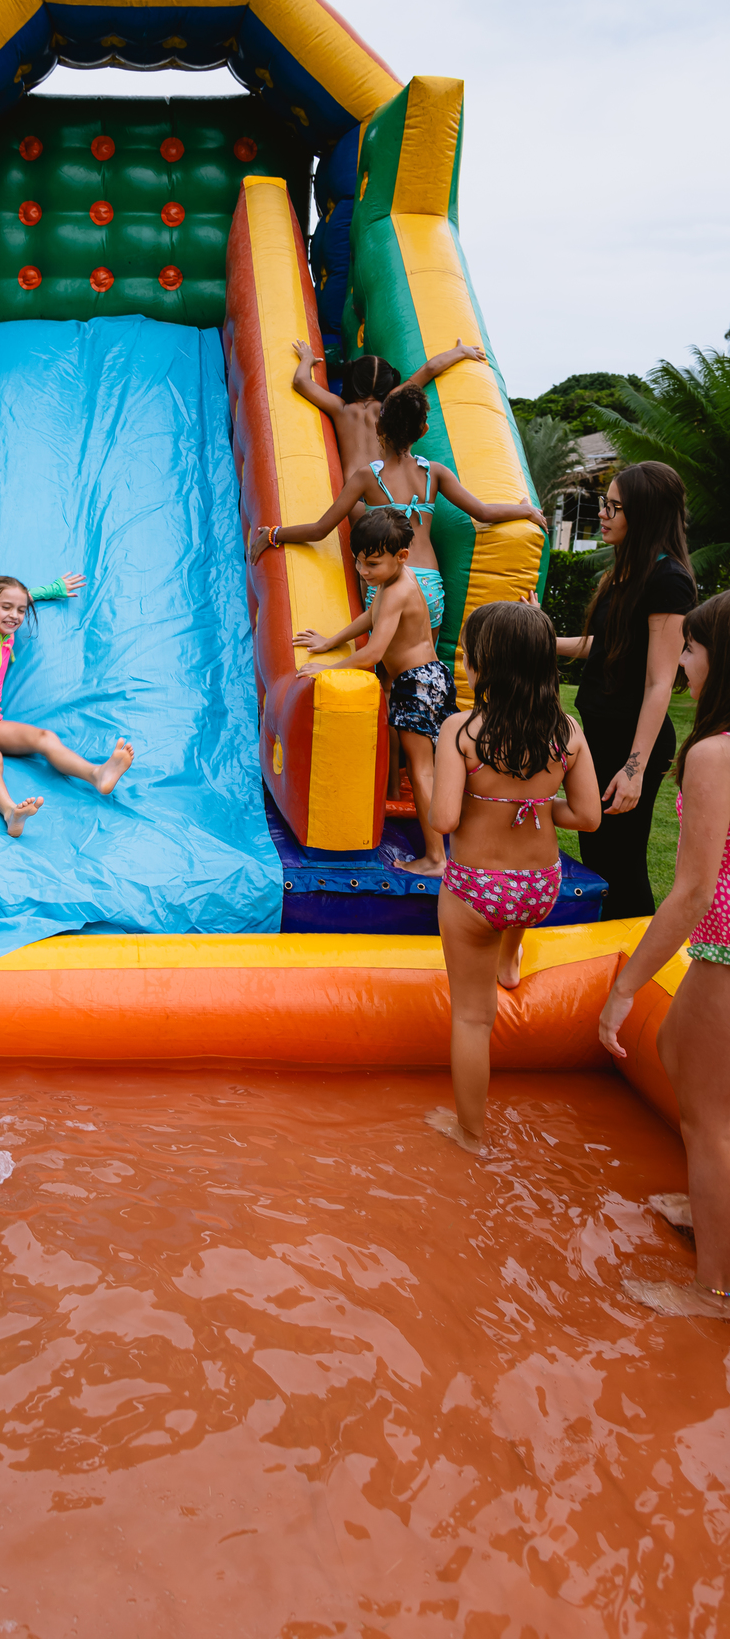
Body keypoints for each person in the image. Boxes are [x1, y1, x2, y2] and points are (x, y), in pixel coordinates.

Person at [426, 601, 601, 1154]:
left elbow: (446, 819)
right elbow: (588, 816)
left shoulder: (462, 730)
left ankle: (470, 1135)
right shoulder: (567, 732)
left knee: (474, 1019)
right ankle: (510, 960)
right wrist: (535, 804)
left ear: (486, 666)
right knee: (517, 907)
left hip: (479, 891)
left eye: (470, 656)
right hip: (541, 888)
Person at [598, 592, 730, 1318]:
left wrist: (625, 987)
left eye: (691, 648)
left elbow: (691, 890)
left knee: (709, 1117)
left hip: (724, 948)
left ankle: (714, 1288)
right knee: (679, 1049)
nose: (681, 662)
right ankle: (710, 1207)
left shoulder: (714, 753)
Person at [251, 381, 547, 638]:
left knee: (388, 674)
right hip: (428, 585)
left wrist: (274, 535)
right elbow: (483, 512)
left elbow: (320, 529)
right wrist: (524, 510)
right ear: (424, 430)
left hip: (387, 581)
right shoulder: (435, 473)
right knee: (424, 668)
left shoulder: (367, 477)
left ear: (379, 426)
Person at [547, 461, 696, 920]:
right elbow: (605, 646)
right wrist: (541, 637)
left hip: (632, 742)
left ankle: (637, 968)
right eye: (603, 504)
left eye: (614, 506)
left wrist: (634, 768)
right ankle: (609, 962)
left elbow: (659, 682)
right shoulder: (626, 571)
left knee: (622, 864)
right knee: (598, 858)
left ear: (644, 513)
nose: (603, 514)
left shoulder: (668, 581)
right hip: (600, 734)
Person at [294, 508, 457, 874]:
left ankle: (436, 859)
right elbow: (372, 617)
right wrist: (330, 641)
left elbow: (374, 652)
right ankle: (447, 846)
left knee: (422, 772)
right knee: (433, 768)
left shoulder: (398, 589)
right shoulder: (392, 582)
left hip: (417, 685)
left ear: (401, 556)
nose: (364, 572)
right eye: (359, 562)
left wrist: (327, 668)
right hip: (429, 679)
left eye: (372, 563)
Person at [0, 574, 134, 836]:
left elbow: (23, 596)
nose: (15, 615)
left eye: (21, 611)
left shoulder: (6, 634)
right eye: (6, 608)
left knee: (45, 737)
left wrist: (53, 588)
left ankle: (97, 774)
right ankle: (10, 812)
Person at [289, 338, 488, 486]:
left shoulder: (340, 409)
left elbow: (301, 382)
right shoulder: (389, 404)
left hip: (353, 493)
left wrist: (306, 358)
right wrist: (461, 352)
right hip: (385, 491)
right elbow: (430, 368)